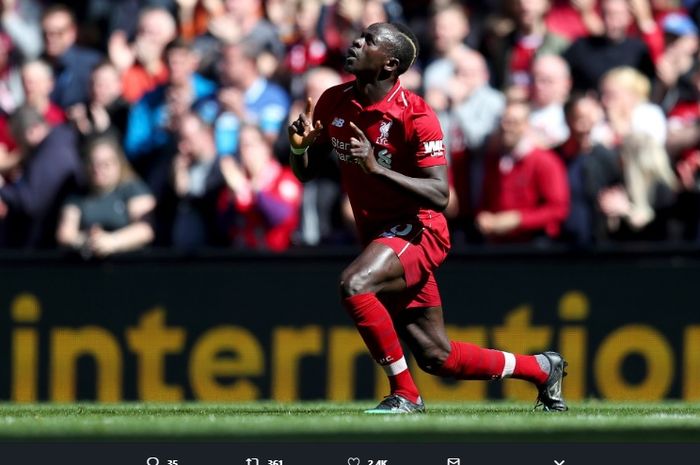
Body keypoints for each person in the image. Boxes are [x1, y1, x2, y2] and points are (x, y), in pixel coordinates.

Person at [288, 22, 568, 413]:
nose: (356, 42)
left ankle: (405, 393)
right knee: (438, 356)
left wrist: (376, 168)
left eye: (368, 40)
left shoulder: (416, 115)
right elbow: (306, 172)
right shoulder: (334, 100)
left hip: (419, 230)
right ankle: (540, 368)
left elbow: (440, 195)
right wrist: (298, 149)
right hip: (379, 236)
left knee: (355, 284)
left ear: (388, 65)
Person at [56, 136, 156, 257]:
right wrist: (88, 241)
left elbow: (145, 230)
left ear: (118, 163)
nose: (98, 169)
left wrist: (111, 241)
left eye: (105, 164)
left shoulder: (133, 188)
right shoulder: (78, 195)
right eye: (93, 164)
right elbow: (65, 234)